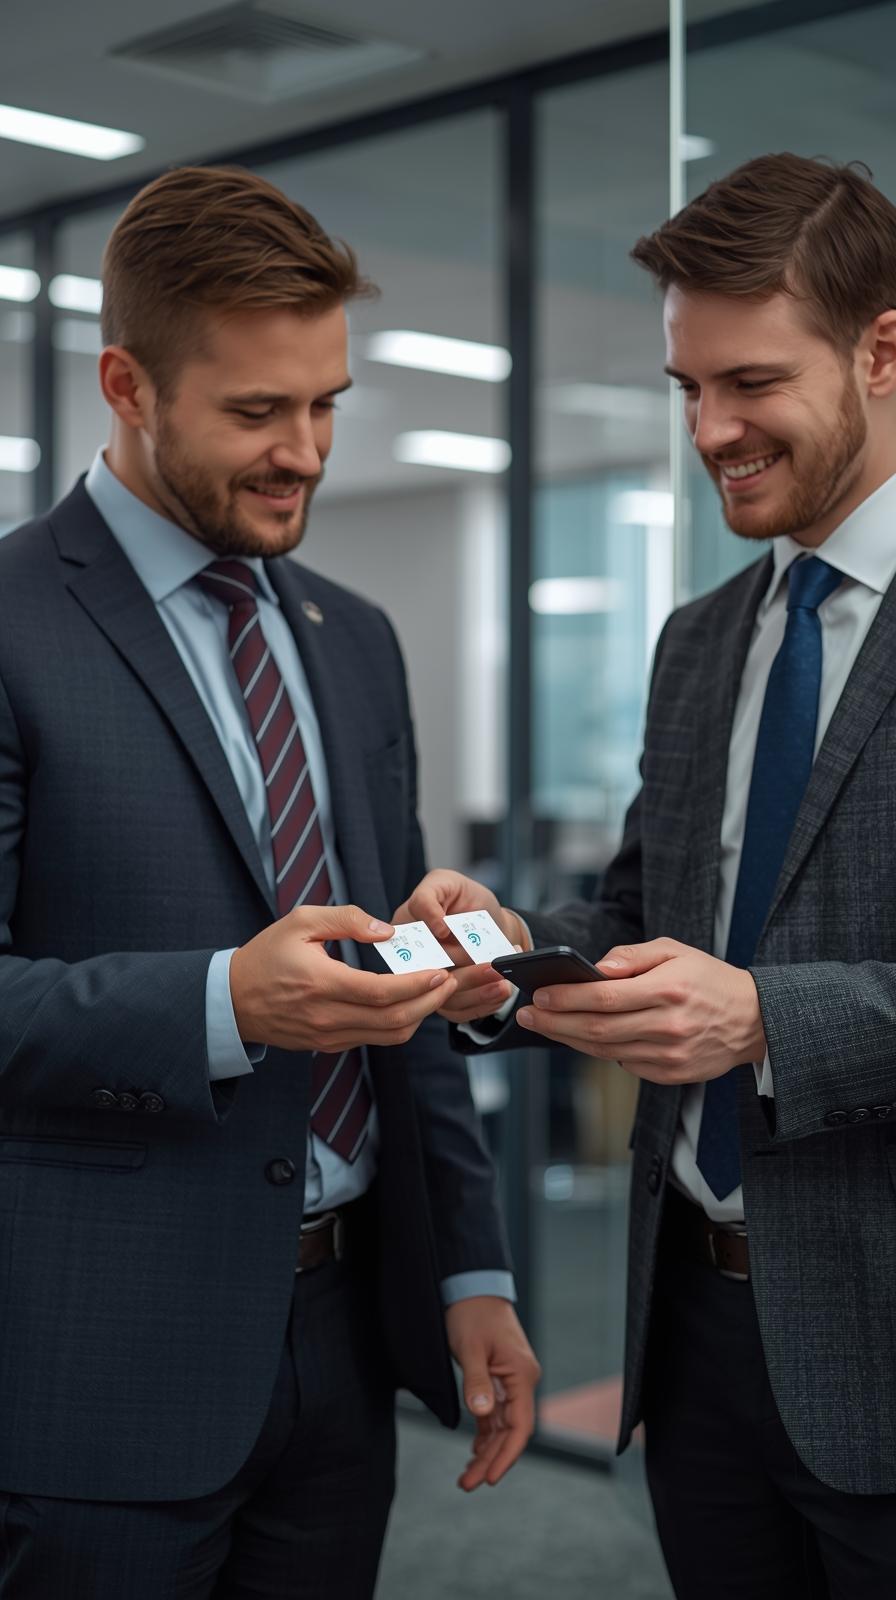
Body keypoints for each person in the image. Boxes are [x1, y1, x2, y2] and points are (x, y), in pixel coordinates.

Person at [0, 164, 539, 1599]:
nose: (304, 451)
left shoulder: (350, 637)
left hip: (344, 1346)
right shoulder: (6, 626)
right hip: (98, 1375)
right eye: (256, 412)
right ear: (128, 383)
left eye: (325, 406)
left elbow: (395, 989)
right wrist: (225, 1003)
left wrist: (469, 1276)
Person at [399, 153, 896, 1597]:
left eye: (749, 382)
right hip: (696, 1340)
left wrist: (768, 1021)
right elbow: (634, 917)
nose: (711, 429)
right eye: (688, 388)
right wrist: (505, 950)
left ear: (882, 348)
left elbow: (752, 992)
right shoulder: (703, 638)